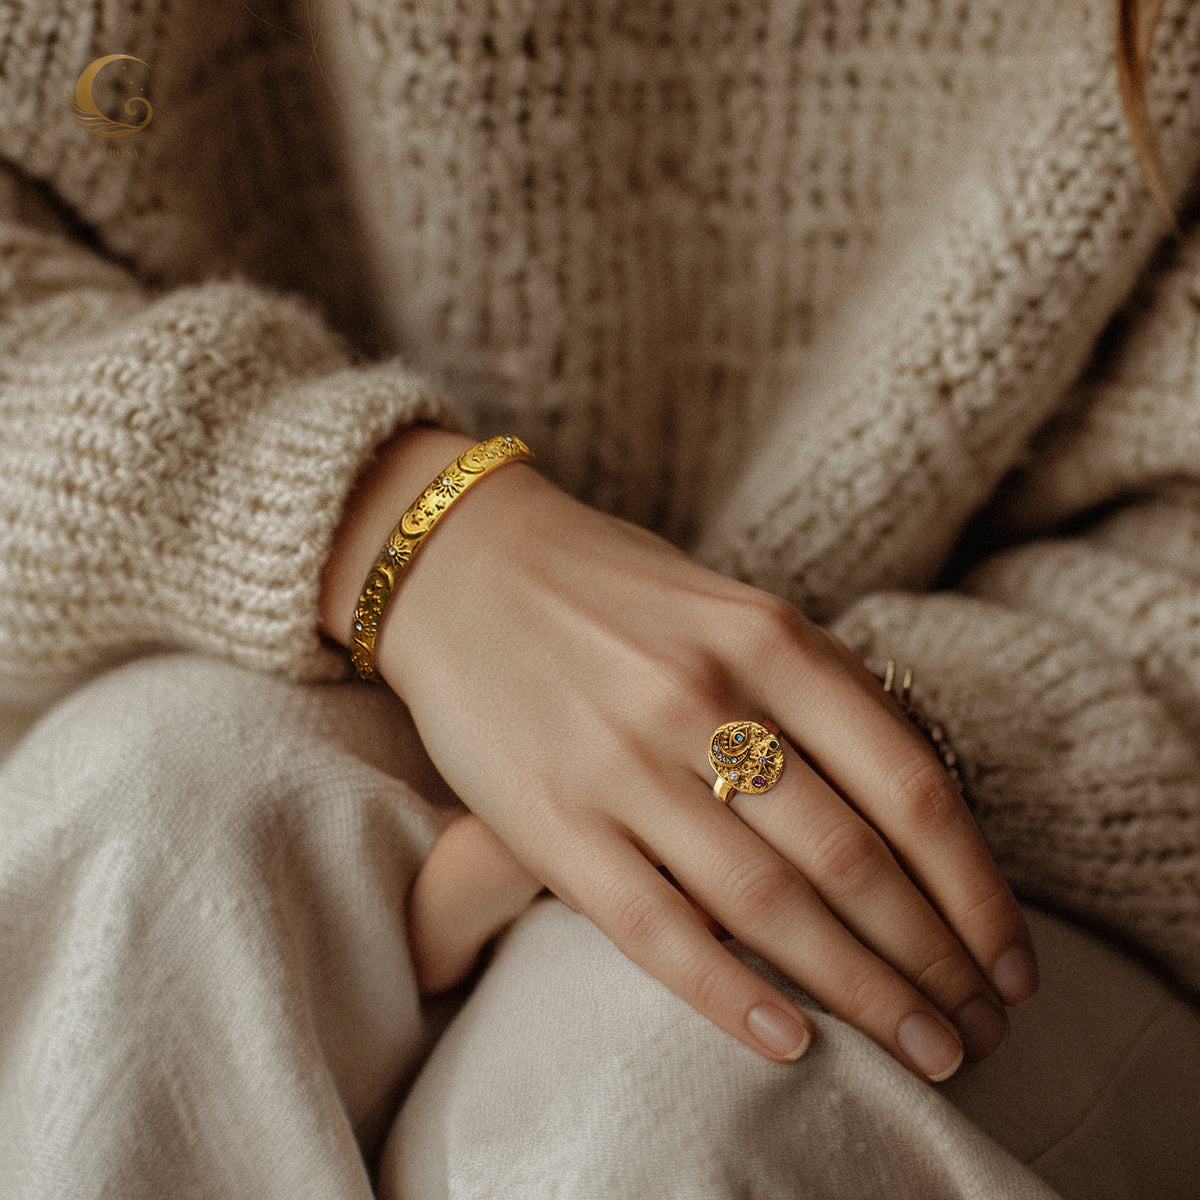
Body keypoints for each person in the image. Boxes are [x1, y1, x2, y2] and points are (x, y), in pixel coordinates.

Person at [0, 0, 1199, 1196]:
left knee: (682, 1090)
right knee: (154, 821)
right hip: (247, 610)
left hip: (1028, 754)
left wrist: (817, 755)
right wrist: (401, 531)